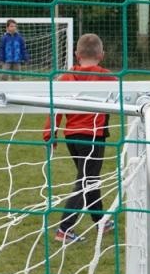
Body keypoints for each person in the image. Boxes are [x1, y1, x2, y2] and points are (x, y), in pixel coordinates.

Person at [44, 33, 113, 244]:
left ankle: (100, 220)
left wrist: (50, 133)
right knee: (85, 181)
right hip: (93, 137)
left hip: (72, 137)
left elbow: (54, 106)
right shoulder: (107, 77)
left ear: (77, 54)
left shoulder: (65, 77)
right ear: (102, 54)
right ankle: (65, 228)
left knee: (90, 178)